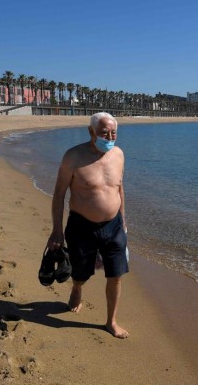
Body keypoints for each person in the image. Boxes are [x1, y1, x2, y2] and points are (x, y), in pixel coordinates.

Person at [47, 112, 129, 338]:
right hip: (81, 225)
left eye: (113, 132)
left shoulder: (119, 154)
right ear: (91, 131)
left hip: (113, 226)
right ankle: (77, 288)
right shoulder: (73, 157)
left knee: (116, 274)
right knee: (81, 271)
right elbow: (58, 194)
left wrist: (123, 222)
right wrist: (56, 229)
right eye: (104, 133)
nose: (110, 137)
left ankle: (111, 321)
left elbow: (119, 188)